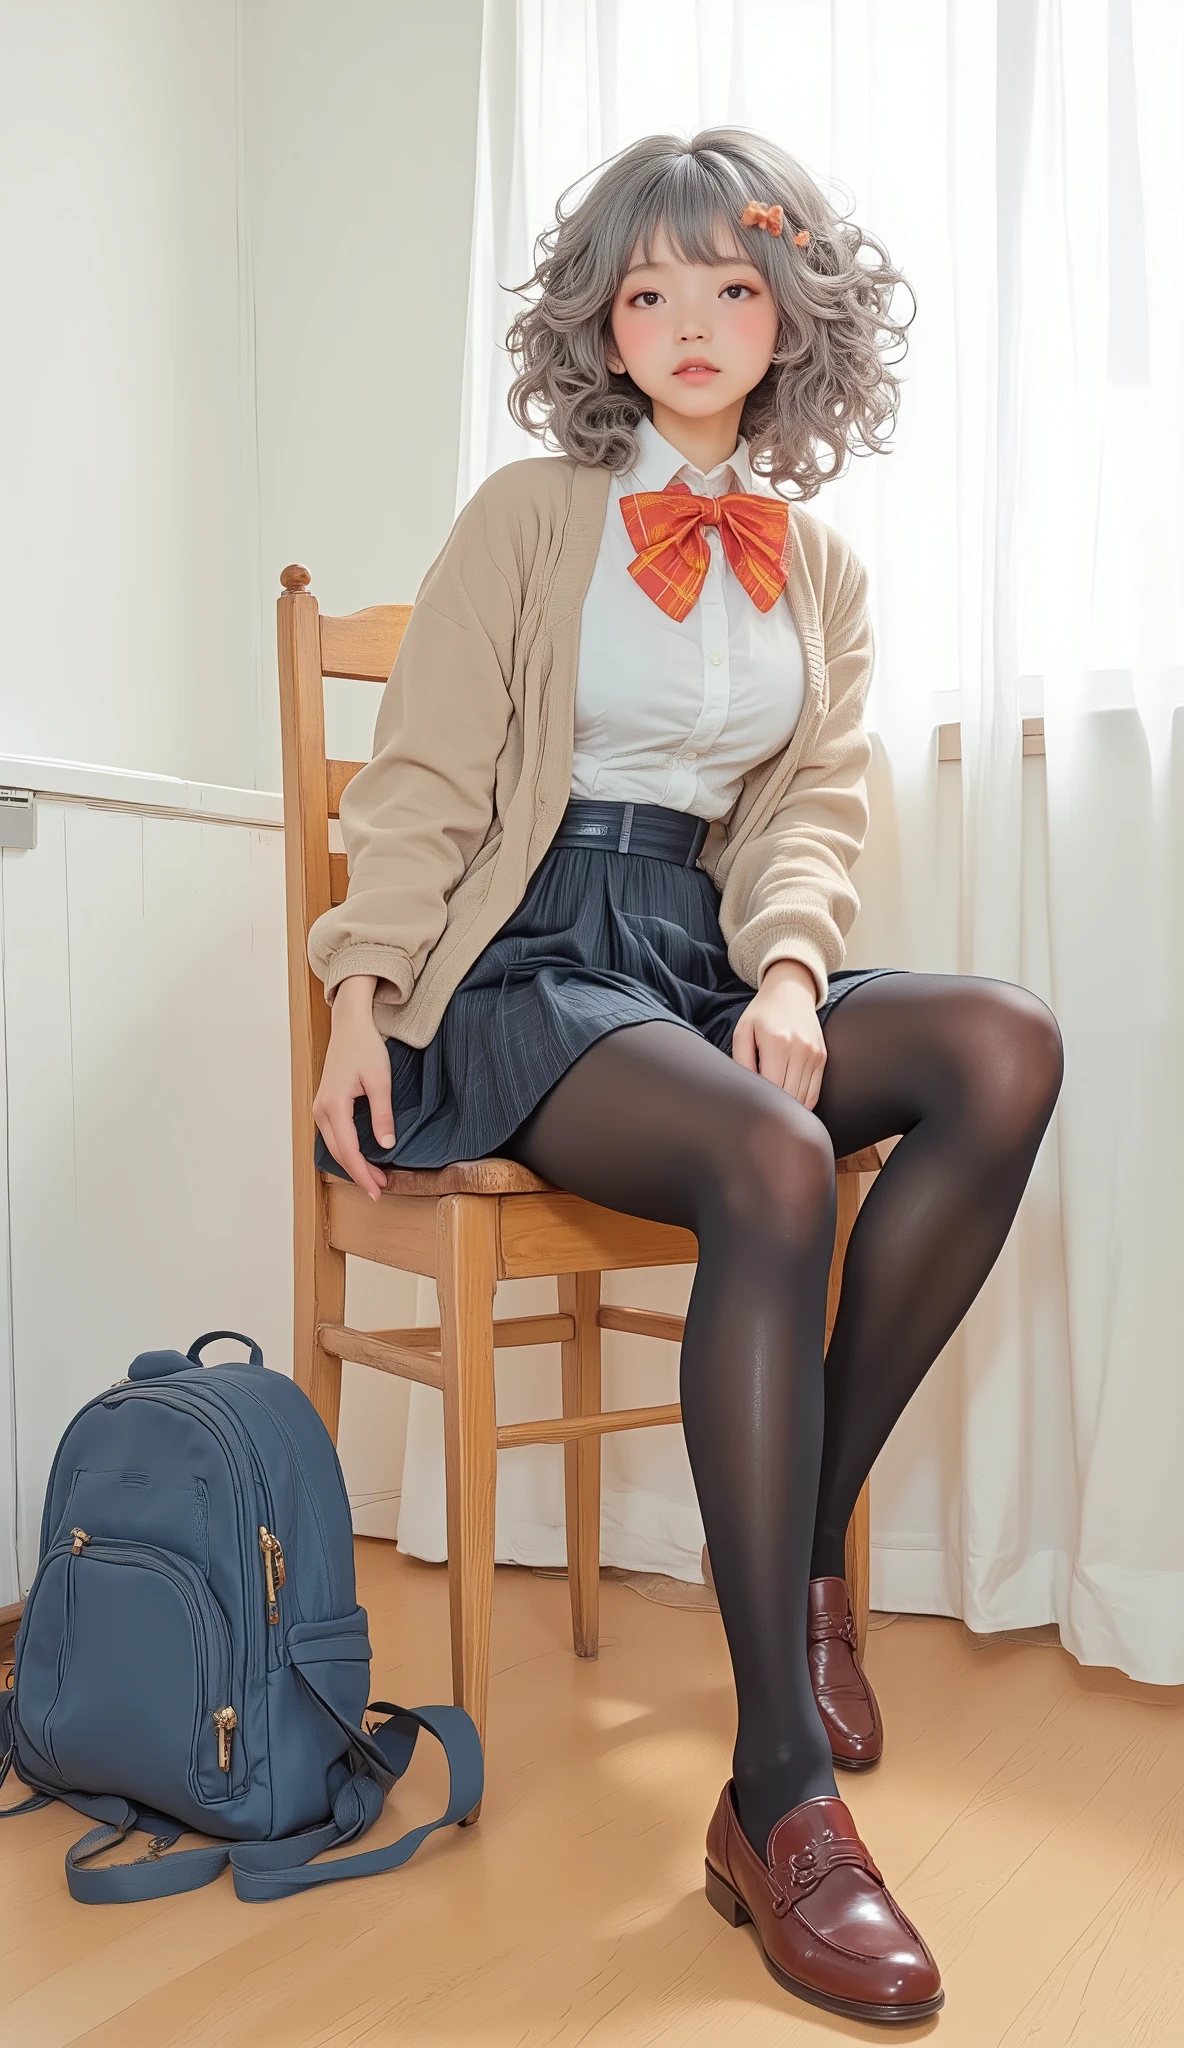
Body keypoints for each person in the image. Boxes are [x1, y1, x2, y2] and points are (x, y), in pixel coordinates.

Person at [307, 128, 1063, 2025]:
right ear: (604, 322)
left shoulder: (820, 566)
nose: (693, 323)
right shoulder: (529, 518)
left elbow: (807, 810)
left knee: (999, 1047)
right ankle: (777, 1795)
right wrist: (353, 996)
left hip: (710, 953)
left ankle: (807, 1558)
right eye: (650, 291)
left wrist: (794, 968)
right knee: (776, 1162)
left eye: (732, 287)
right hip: (527, 962)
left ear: (795, 314)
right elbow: (422, 784)